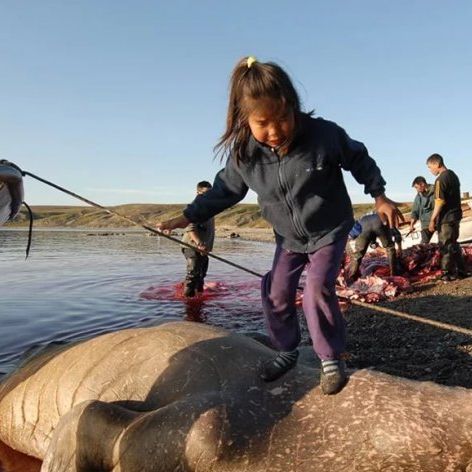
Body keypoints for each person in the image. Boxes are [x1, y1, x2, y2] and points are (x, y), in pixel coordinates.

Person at [156, 56, 404, 395]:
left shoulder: (323, 135)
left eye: (283, 118)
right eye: (262, 123)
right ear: (245, 120)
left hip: (329, 230)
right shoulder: (244, 154)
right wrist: (188, 215)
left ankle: (330, 357)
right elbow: (224, 191)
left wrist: (379, 196)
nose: (275, 131)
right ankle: (287, 349)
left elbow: (358, 157)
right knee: (275, 292)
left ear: (294, 107)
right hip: (288, 237)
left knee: (317, 288)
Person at [426, 154, 466, 281]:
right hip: (456, 215)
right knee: (454, 243)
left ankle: (446, 273)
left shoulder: (440, 180)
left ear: (437, 164)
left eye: (430, 167)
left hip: (446, 218)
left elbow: (439, 201)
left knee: (446, 245)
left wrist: (432, 219)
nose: (430, 170)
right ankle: (461, 270)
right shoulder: (453, 175)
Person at [181, 181, 215, 297]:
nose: (208, 196)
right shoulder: (194, 207)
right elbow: (190, 229)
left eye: (210, 193)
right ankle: (188, 302)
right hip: (192, 246)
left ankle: (199, 297)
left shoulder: (209, 208)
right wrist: (199, 244)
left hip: (204, 248)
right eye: (205, 193)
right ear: (198, 193)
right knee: (193, 274)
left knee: (201, 275)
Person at [346, 213, 403, 282]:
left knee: (358, 254)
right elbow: (396, 234)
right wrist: (399, 248)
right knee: (390, 247)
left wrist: (383, 250)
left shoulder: (363, 217)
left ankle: (352, 277)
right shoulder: (384, 216)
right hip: (380, 222)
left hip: (363, 227)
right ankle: (393, 274)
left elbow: (372, 244)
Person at [408, 176, 435, 243]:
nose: (416, 190)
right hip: (425, 224)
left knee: (444, 243)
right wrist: (411, 225)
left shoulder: (436, 191)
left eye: (417, 187)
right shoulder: (418, 197)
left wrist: (433, 221)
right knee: (423, 244)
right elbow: (415, 211)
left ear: (422, 184)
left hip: (439, 221)